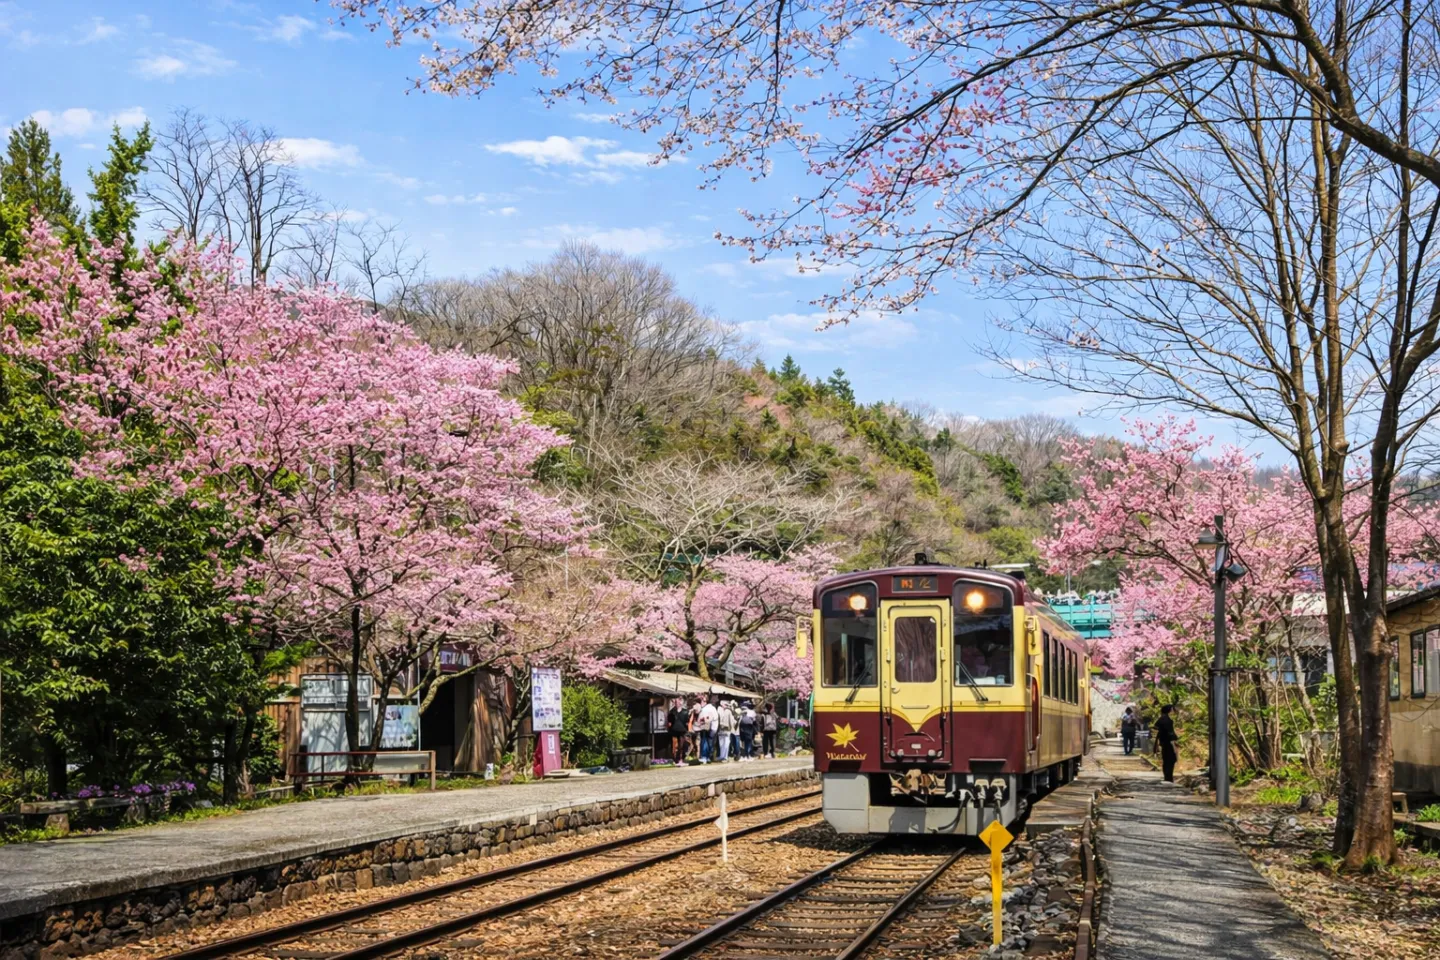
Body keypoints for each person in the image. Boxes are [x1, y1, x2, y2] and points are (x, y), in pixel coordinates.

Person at [1155, 704, 1179, 782]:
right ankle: (1169, 776)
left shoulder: (1161, 719)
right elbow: (1170, 732)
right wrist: (1174, 742)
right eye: (1172, 709)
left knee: (1166, 759)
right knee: (1171, 759)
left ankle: (1167, 776)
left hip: (1163, 742)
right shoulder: (1167, 720)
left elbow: (1156, 727)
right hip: (1169, 742)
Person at [667, 698, 690, 766]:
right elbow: (669, 722)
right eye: (676, 702)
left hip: (682, 731)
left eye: (678, 702)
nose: (677, 703)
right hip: (674, 731)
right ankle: (675, 759)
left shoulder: (685, 712)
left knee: (683, 745)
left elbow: (687, 722)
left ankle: (681, 759)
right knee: (675, 746)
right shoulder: (672, 712)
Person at [698, 695, 719, 763]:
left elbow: (707, 719)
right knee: (710, 743)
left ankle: (704, 757)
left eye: (701, 701)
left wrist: (701, 721)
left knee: (705, 742)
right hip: (713, 728)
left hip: (707, 727)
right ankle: (709, 757)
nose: (700, 703)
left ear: (705, 702)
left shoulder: (706, 709)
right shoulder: (712, 708)